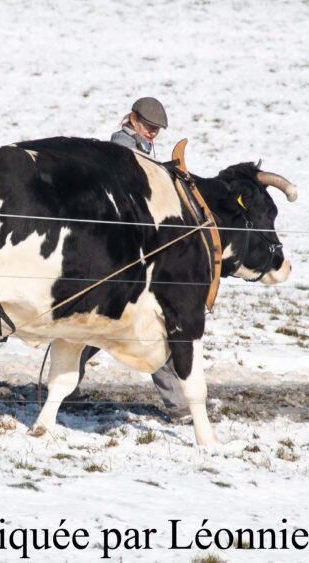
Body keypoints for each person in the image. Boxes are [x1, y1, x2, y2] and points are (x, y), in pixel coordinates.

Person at [76, 96, 192, 421]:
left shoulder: (139, 147)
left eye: (157, 130)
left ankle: (65, 385)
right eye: (150, 127)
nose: (154, 133)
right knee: (139, 328)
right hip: (123, 256)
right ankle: (180, 405)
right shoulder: (122, 148)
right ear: (133, 119)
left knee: (99, 328)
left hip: (131, 254)